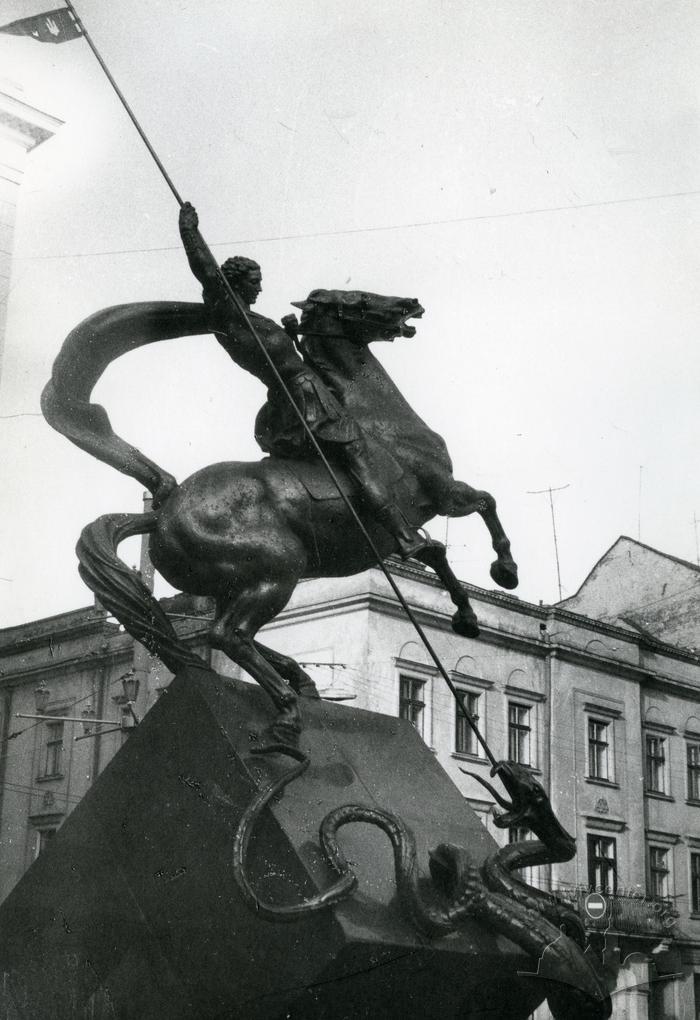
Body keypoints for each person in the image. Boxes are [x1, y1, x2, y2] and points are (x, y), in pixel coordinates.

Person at [178, 202, 429, 559]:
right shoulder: (231, 315)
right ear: (233, 283)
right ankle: (404, 536)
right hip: (305, 398)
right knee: (360, 457)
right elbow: (207, 272)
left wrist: (293, 338)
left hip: (293, 396)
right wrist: (190, 232)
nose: (259, 289)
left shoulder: (249, 319)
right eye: (253, 282)